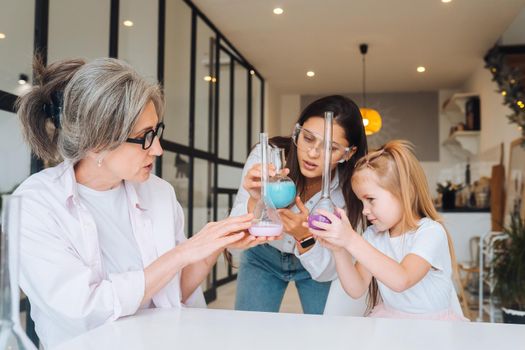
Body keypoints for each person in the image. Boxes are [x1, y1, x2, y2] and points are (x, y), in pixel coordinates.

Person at [14, 57, 259, 348]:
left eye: (157, 132)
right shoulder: (35, 203)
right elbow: (83, 311)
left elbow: (172, 293)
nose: (157, 149)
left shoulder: (159, 193)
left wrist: (212, 245)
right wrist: (181, 253)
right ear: (98, 143)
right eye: (145, 137)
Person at [231, 95, 368, 314]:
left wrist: (304, 237)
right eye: (308, 138)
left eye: (330, 148)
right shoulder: (268, 158)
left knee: (324, 335)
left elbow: (331, 269)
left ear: (348, 153)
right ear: (297, 131)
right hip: (263, 256)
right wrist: (256, 201)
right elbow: (232, 233)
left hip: (317, 261)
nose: (313, 153)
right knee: (249, 332)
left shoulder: (350, 189)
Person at [308, 140, 468, 320]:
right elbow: (357, 288)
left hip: (432, 327)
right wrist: (338, 249)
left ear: (405, 191)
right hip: (391, 321)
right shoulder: (373, 236)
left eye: (371, 199)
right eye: (362, 202)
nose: (364, 210)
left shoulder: (430, 232)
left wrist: (350, 239)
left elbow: (402, 279)